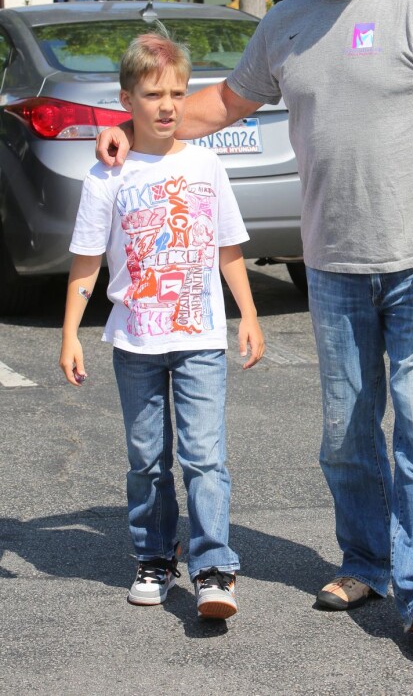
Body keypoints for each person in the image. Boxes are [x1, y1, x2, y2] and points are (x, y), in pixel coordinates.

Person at [96, 0, 413, 639]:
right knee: (348, 435)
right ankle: (367, 564)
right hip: (332, 266)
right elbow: (223, 104)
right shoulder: (286, 22)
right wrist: (127, 127)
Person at [61, 33, 264, 619]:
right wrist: (70, 331)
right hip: (136, 342)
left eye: (177, 91)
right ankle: (154, 557)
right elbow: (88, 260)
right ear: (128, 99)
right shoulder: (108, 176)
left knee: (206, 457)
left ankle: (213, 567)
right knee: (147, 459)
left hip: (200, 339)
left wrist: (248, 314)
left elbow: (228, 247)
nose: (168, 105)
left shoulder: (205, 164)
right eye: (153, 94)